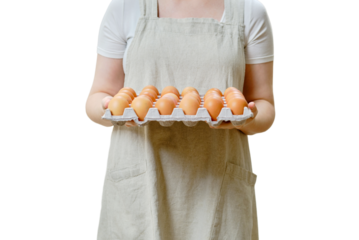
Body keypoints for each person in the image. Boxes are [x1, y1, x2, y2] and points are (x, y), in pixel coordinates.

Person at [85, 0, 275, 239]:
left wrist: (243, 118)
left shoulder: (249, 10)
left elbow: (265, 106)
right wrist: (112, 109)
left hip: (219, 185)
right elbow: (96, 97)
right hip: (139, 184)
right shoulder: (124, 6)